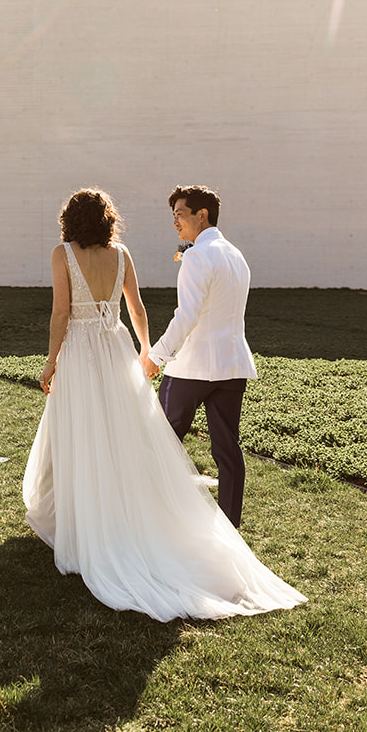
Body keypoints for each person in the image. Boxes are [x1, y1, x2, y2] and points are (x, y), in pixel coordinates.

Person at [22, 187, 305, 622]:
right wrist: (142, 347)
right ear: (107, 219)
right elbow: (136, 309)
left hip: (83, 351)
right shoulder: (125, 254)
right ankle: (144, 511)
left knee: (83, 431)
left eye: (180, 214)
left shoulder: (62, 255)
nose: (175, 219)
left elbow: (62, 314)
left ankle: (85, 521)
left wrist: (51, 361)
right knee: (126, 432)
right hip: (120, 348)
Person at [143, 185, 259, 528]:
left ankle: (154, 518)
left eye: (180, 215)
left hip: (192, 369)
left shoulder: (197, 256)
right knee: (227, 449)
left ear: (202, 215)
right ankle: (229, 527)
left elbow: (187, 315)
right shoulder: (236, 255)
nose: (175, 223)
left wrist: (156, 356)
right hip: (231, 366)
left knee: (161, 443)